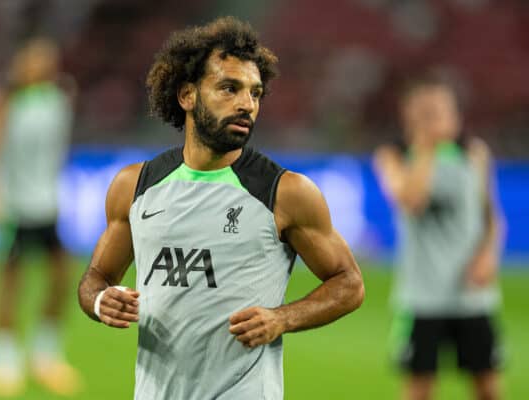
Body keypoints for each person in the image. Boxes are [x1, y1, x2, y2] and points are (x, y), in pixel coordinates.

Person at [78, 16, 364, 399]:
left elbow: (349, 283)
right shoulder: (135, 187)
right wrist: (100, 300)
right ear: (187, 96)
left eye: (255, 93)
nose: (246, 104)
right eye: (229, 88)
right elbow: (96, 276)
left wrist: (282, 318)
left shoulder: (284, 193)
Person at [374, 76, 503, 400]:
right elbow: (411, 200)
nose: (434, 120)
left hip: (471, 294)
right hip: (422, 297)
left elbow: (491, 217)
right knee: (420, 389)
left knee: (487, 386)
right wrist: (426, 147)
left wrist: (488, 256)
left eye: (439, 111)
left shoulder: (474, 154)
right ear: (409, 116)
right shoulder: (393, 156)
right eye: (425, 112)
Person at [0, 37, 81, 397]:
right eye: (34, 58)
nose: (41, 64)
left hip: (45, 202)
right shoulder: (4, 102)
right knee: (10, 280)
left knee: (61, 277)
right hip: (14, 205)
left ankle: (44, 354)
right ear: (20, 61)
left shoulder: (58, 98)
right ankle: (3, 359)